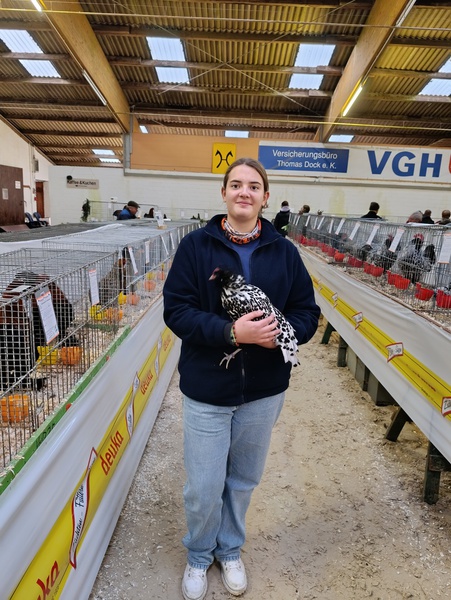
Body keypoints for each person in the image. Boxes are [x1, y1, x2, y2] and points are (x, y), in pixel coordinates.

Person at [163, 157, 320, 600]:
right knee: (203, 485)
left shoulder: (285, 252)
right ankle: (199, 555)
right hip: (208, 389)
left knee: (243, 480)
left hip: (264, 391)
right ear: (224, 193)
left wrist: (281, 335)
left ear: (265, 197)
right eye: (236, 184)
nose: (244, 192)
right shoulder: (196, 247)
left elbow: (307, 313)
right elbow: (177, 311)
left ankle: (229, 549)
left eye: (253, 186)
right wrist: (231, 333)